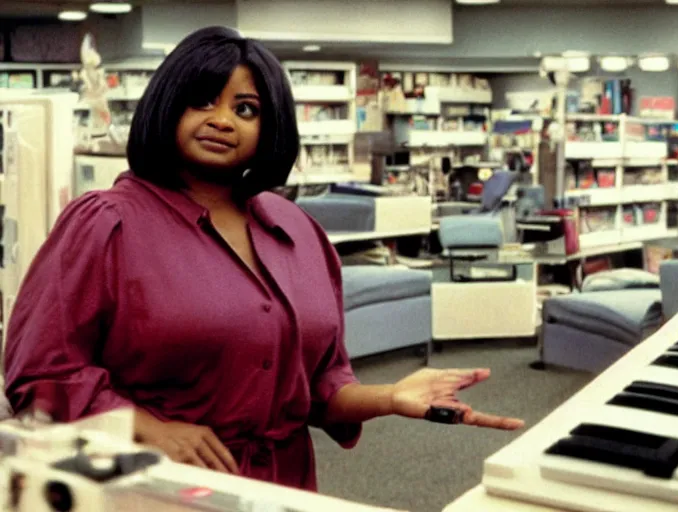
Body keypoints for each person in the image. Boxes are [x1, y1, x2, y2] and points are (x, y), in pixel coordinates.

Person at [3, 26, 524, 491]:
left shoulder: (295, 229)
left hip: (282, 486)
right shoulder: (106, 221)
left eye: (245, 108)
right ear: (168, 106)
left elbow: (320, 387)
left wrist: (389, 396)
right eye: (202, 101)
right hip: (153, 484)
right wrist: (149, 428)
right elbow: (39, 372)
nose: (222, 120)